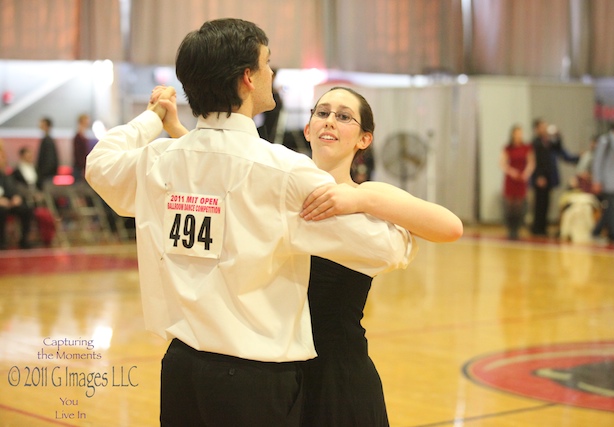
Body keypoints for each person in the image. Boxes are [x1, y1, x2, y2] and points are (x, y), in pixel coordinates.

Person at [85, 19, 415, 427]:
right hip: (253, 383)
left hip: (181, 370)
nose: (271, 74)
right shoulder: (283, 171)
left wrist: (153, 117)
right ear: (247, 78)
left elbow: (100, 164)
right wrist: (383, 208)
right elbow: (385, 250)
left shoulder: (160, 160)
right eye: (268, 63)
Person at [297, 87, 463, 426]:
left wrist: (359, 201)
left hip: (340, 377)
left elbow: (450, 228)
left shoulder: (369, 193)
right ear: (307, 128)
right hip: (277, 374)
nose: (330, 121)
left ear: (364, 139)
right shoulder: (281, 182)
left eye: (344, 117)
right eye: (322, 113)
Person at [530, 118, 579, 236]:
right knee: (539, 204)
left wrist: (558, 136)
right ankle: (537, 227)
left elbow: (559, 149)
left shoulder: (549, 141)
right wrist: (539, 176)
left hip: (549, 177)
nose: (545, 129)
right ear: (537, 129)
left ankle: (543, 227)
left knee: (546, 203)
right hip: (540, 177)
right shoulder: (535, 143)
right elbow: (537, 161)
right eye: (542, 127)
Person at [499, 125, 535, 240]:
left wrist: (526, 173)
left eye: (521, 133)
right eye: (517, 133)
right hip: (511, 178)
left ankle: (517, 229)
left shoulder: (527, 147)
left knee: (519, 205)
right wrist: (511, 172)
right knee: (510, 205)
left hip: (522, 178)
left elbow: (531, 163)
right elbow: (502, 163)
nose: (519, 135)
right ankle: (510, 228)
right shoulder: (508, 148)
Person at [0, 145, 34, 249]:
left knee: (26, 209)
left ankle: (24, 240)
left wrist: (16, 197)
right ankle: (2, 242)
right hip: (2, 205)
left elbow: (12, 189)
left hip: (9, 203)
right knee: (1, 211)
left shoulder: (5, 175)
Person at [35, 117, 59, 188]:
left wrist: (42, 173)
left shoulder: (47, 140)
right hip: (48, 174)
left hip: (47, 175)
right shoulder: (49, 140)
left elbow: (49, 159)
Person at [73, 114, 91, 182]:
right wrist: (83, 167)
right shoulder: (78, 136)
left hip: (81, 167)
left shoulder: (83, 135)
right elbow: (79, 154)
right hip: (79, 168)